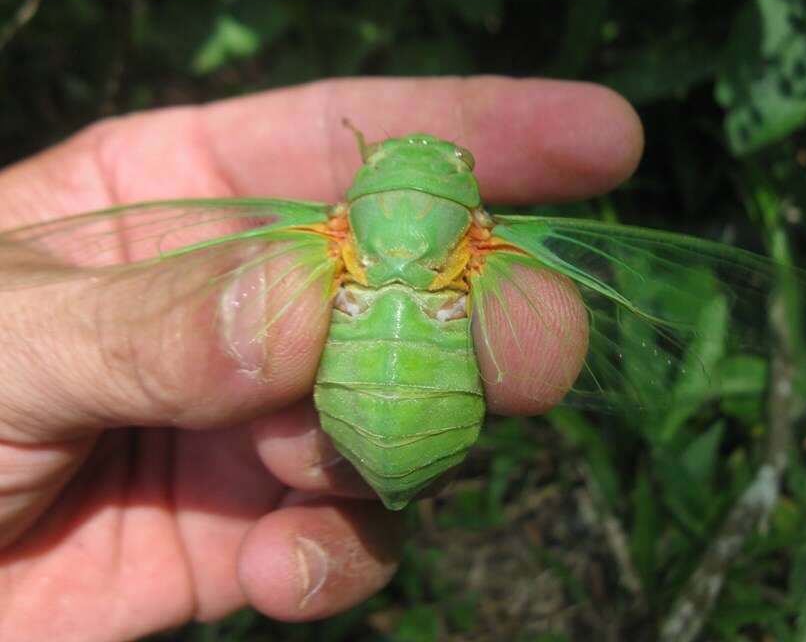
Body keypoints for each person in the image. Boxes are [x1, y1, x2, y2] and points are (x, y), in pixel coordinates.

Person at [0, 76, 643, 639]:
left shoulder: (324, 232)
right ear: (471, 206)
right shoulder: (487, 241)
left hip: (359, 399)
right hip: (431, 394)